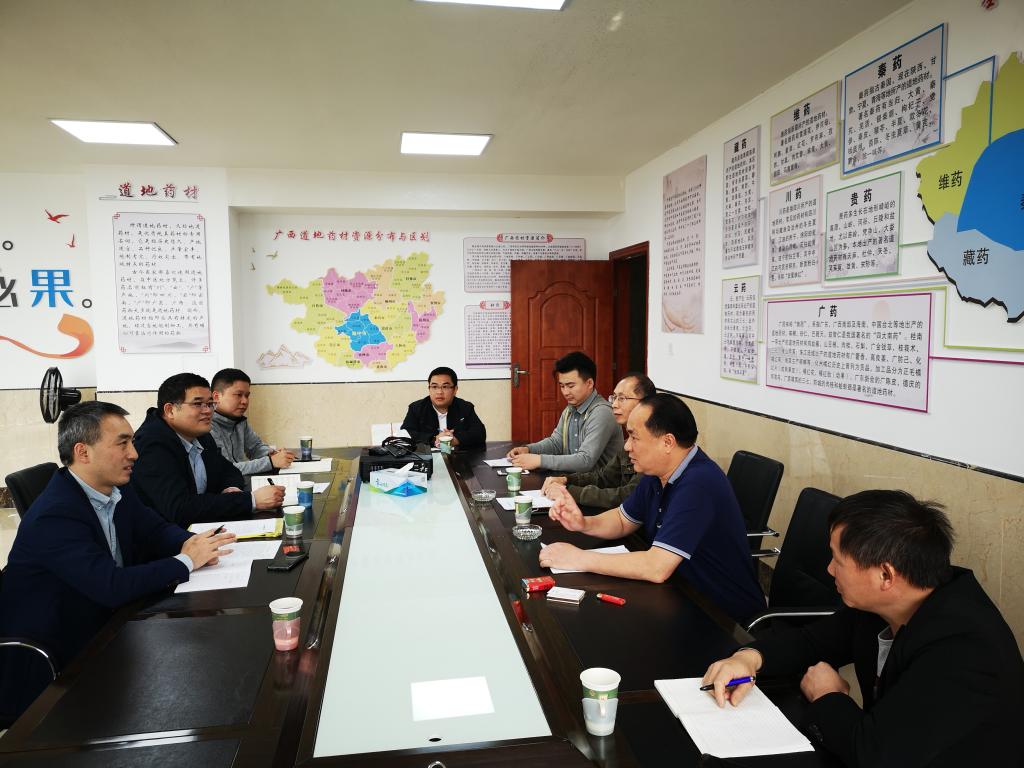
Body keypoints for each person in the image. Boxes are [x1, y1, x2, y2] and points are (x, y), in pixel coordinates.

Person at [701, 490, 1024, 767]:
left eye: (838, 561)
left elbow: (875, 756)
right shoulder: (885, 604)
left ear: (886, 575)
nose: (829, 570)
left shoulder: (964, 649)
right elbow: (811, 641)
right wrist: (748, 658)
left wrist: (827, 696)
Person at [0, 401, 236, 724]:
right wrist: (186, 561)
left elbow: (154, 529)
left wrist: (191, 542)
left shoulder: (115, 490)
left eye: (132, 442)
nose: (134, 454)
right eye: (122, 443)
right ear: (83, 452)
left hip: (108, 628)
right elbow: (110, 586)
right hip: (57, 660)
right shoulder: (54, 515)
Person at [539, 394, 764, 624]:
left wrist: (578, 558)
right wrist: (584, 523)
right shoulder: (658, 472)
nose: (627, 446)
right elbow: (623, 520)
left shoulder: (699, 484)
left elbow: (656, 567)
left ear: (667, 442)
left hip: (721, 616)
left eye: (634, 437)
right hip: (678, 593)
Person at [132, 373, 285, 526]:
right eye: (198, 404)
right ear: (170, 410)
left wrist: (230, 489)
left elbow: (229, 471)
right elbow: (180, 509)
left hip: (205, 527)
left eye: (210, 404)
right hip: (168, 535)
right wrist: (251, 500)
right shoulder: (152, 446)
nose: (207, 411)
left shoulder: (200, 434)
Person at [541, 372, 655, 508]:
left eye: (622, 398)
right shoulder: (627, 444)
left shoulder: (653, 444)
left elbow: (627, 496)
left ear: (645, 403)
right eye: (614, 398)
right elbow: (603, 477)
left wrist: (568, 492)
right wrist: (565, 479)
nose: (614, 405)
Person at [507, 351, 621, 473]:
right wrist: (528, 450)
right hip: (576, 479)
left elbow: (585, 461)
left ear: (589, 383)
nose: (565, 392)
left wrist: (539, 460)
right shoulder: (570, 409)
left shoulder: (602, 413)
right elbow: (556, 443)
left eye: (571, 386)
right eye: (562, 386)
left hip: (599, 483)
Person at [210, 368, 296, 475]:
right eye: (238, 395)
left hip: (239, 482)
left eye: (247, 396)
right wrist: (271, 462)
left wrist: (272, 454)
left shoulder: (239, 421)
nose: (245, 401)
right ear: (216, 397)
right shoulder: (208, 427)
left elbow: (255, 447)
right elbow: (226, 470)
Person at [400, 366, 486, 450]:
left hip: (459, 457)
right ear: (429, 389)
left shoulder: (465, 407)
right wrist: (434, 439)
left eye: (445, 387)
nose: (439, 392)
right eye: (434, 387)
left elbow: (480, 433)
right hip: (427, 457)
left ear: (455, 389)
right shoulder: (416, 408)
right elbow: (405, 434)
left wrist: (455, 440)